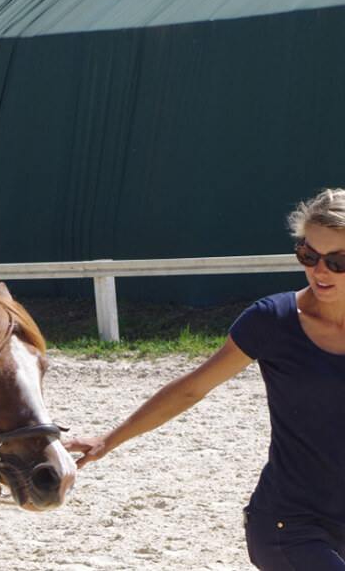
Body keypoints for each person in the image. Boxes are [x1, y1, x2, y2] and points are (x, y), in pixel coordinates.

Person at [65, 187, 345, 570]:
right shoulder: (273, 321)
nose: (319, 270)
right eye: (308, 255)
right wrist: (110, 439)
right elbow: (192, 388)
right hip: (288, 525)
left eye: (337, 261)